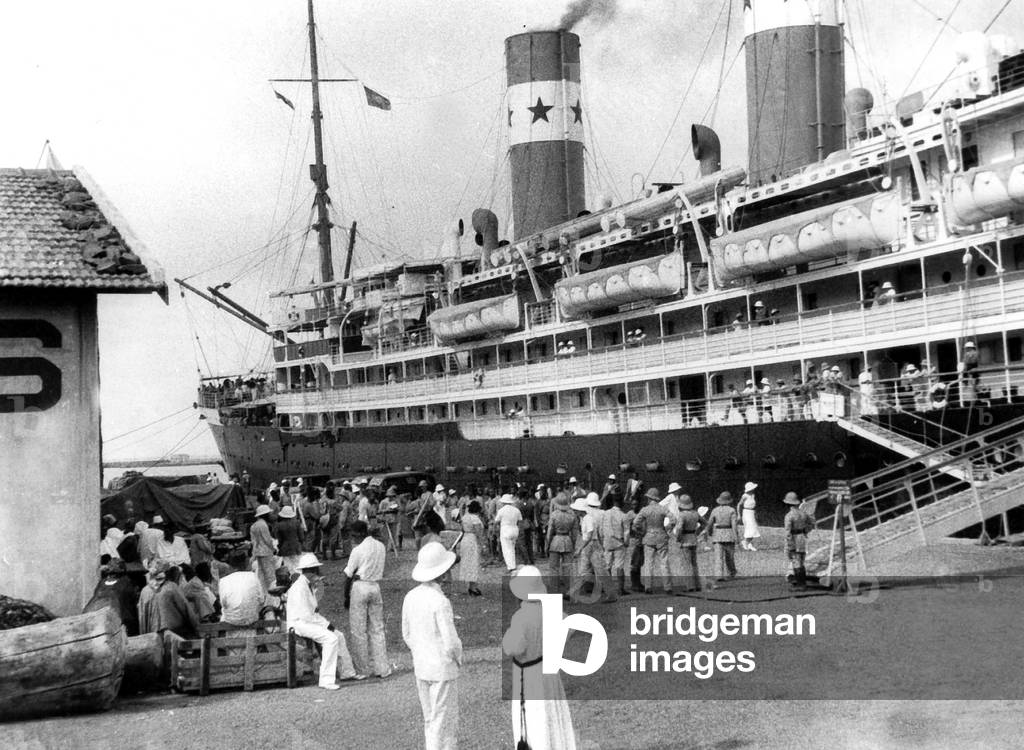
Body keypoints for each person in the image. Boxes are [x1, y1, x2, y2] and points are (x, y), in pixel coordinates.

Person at [502, 566, 577, 750]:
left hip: (529, 675)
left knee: (535, 720)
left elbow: (512, 647)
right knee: (553, 715)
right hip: (549, 671)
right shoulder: (550, 610)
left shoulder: (521, 617)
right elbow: (569, 626)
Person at [402, 542, 463, 750]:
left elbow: (406, 633)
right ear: (443, 573)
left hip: (422, 664)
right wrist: (457, 659)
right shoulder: (440, 601)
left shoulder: (410, 597)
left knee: (430, 719)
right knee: (444, 721)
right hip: (442, 667)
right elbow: (451, 641)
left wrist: (420, 650)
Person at [288, 552, 360, 690]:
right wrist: (326, 626)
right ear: (309, 571)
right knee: (331, 639)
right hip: (298, 623)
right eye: (314, 570)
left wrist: (328, 625)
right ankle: (326, 680)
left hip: (308, 621)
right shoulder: (299, 588)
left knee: (339, 635)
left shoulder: (308, 584)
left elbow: (313, 613)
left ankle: (347, 672)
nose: (317, 573)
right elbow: (306, 616)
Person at [343, 521, 389, 679]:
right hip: (375, 587)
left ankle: (363, 669)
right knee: (377, 629)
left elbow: (348, 575)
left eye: (354, 535)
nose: (353, 538)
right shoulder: (380, 546)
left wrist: (346, 596)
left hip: (360, 586)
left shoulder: (358, 550)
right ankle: (382, 668)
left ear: (360, 533)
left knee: (358, 630)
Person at [138, 560, 198, 638]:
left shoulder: (144, 591)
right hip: (175, 633)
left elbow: (142, 617)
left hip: (153, 635)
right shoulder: (171, 587)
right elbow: (185, 608)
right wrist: (196, 626)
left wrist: (145, 637)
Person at [634, 488, 671, 595]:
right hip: (661, 535)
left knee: (648, 563)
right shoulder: (662, 509)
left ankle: (648, 586)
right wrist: (668, 529)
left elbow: (636, 523)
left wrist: (641, 532)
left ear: (649, 498)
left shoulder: (645, 510)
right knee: (664, 562)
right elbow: (673, 519)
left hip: (649, 536)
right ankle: (667, 587)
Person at [218, 550, 264, 627]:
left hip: (231, 621)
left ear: (230, 565)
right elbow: (261, 600)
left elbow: (223, 604)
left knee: (224, 613)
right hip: (252, 619)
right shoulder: (253, 576)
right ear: (246, 563)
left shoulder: (223, 581)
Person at [702, 492, 739, 582]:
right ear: (729, 501)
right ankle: (732, 572)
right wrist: (736, 537)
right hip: (729, 534)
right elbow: (734, 525)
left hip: (717, 535)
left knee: (718, 557)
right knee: (729, 556)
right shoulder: (732, 511)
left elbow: (709, 523)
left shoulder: (715, 510)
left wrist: (709, 532)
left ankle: (719, 575)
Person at [545, 493, 578, 596]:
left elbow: (550, 531)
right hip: (567, 540)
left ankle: (555, 591)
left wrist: (547, 544)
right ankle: (569, 591)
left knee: (554, 568)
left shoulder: (554, 515)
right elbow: (575, 533)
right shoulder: (572, 515)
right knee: (567, 568)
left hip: (556, 540)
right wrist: (572, 543)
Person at [600, 494, 630, 598]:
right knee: (619, 566)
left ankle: (606, 588)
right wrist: (626, 542)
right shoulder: (624, 515)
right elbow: (626, 531)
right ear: (621, 502)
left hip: (607, 541)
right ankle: (620, 589)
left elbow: (601, 528)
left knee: (607, 565)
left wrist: (602, 540)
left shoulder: (605, 513)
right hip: (619, 542)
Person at [783, 492, 814, 589]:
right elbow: (812, 524)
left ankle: (801, 584)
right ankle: (802, 581)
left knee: (795, 560)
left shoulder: (789, 516)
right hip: (802, 537)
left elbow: (788, 532)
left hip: (794, 538)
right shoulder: (804, 514)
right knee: (801, 559)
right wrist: (805, 530)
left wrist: (790, 545)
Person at [673, 495, 704, 592]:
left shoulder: (682, 515)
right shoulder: (695, 513)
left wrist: (678, 538)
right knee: (694, 563)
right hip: (693, 538)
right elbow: (705, 522)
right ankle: (697, 584)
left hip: (685, 539)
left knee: (686, 564)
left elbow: (679, 528)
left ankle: (690, 585)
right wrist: (698, 531)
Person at [250, 504, 277, 594]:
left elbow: (253, 541)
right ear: (265, 515)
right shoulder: (263, 525)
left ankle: (262, 592)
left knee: (261, 573)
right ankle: (272, 592)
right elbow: (267, 539)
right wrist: (273, 549)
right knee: (270, 573)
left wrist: (253, 553)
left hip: (258, 552)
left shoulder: (253, 526)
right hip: (266, 552)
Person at [459, 501, 485, 596]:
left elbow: (462, 528)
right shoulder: (475, 518)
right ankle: (473, 587)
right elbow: (478, 533)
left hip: (465, 538)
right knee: (473, 562)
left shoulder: (465, 517)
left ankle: (471, 586)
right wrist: (482, 544)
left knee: (468, 562)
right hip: (472, 539)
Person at [495, 494, 522, 572]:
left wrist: (494, 530)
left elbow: (496, 521)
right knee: (512, 548)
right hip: (514, 528)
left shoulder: (501, 510)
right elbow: (520, 521)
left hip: (505, 529)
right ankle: (513, 564)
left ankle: (511, 567)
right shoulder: (516, 510)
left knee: (506, 549)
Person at [276, 505, 304, 572]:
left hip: (285, 548)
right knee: (298, 565)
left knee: (288, 566)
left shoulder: (279, 525)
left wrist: (279, 547)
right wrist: (300, 544)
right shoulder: (297, 523)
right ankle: (299, 579)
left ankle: (290, 579)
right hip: (296, 546)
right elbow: (301, 537)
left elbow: (279, 540)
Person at [738, 481, 760, 551]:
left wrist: (755, 514)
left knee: (754, 528)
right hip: (746, 513)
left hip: (752, 512)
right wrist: (739, 514)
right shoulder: (745, 496)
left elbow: (753, 505)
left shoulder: (753, 495)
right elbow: (739, 505)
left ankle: (749, 543)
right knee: (750, 528)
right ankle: (745, 542)